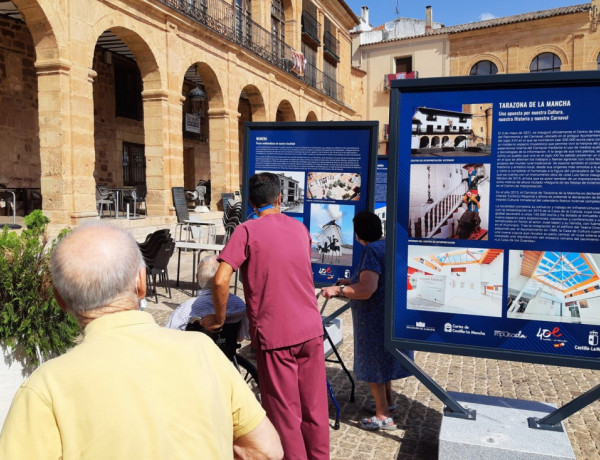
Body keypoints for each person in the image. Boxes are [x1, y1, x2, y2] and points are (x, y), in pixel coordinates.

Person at [0, 222, 283, 460]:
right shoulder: (203, 351)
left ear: (60, 299)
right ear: (141, 283)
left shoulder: (45, 387)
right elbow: (267, 450)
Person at [201, 172, 329, 459]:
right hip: (310, 329)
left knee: (285, 416)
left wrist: (220, 319)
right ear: (280, 198)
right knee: (315, 409)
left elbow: (221, 279)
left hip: (276, 334)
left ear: (250, 201)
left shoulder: (246, 231)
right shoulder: (300, 229)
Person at [321, 211, 413, 431]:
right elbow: (372, 280)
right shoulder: (385, 245)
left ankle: (382, 416)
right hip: (386, 315)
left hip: (372, 319)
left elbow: (366, 289)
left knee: (374, 366)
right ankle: (388, 405)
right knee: (383, 363)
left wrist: (338, 289)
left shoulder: (371, 250)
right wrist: (350, 280)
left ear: (358, 232)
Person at [166, 253, 248, 341]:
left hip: (193, 353)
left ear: (197, 277)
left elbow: (168, 338)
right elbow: (240, 338)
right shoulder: (239, 305)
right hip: (225, 353)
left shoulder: (185, 310)